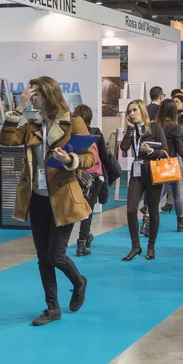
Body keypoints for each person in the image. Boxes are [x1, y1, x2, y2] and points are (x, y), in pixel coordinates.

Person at [0, 76, 94, 326]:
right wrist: (18, 109)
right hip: (37, 199)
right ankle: (52, 308)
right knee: (43, 257)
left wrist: (71, 160)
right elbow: (6, 140)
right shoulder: (32, 125)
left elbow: (91, 158)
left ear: (48, 94)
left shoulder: (74, 122)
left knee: (56, 255)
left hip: (64, 199)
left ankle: (79, 281)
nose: (31, 97)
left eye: (35, 93)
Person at [120, 99, 169, 261]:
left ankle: (151, 246)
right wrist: (130, 129)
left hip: (153, 170)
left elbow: (165, 152)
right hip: (137, 170)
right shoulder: (132, 129)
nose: (131, 114)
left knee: (153, 210)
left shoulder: (155, 127)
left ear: (142, 110)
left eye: (134, 110)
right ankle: (136, 246)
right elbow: (124, 147)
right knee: (131, 209)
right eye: (129, 111)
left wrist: (151, 151)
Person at [72, 105, 109, 256]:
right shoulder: (95, 133)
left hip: (77, 176)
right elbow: (105, 156)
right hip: (94, 176)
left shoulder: (71, 133)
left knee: (76, 208)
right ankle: (82, 242)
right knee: (89, 209)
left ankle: (85, 237)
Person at [155, 99, 183, 232]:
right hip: (173, 163)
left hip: (157, 163)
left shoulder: (155, 125)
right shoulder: (175, 127)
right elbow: (180, 150)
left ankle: (147, 220)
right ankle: (180, 222)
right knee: (178, 194)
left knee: (155, 194)